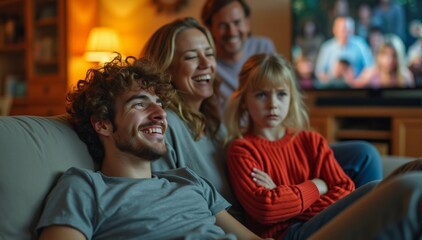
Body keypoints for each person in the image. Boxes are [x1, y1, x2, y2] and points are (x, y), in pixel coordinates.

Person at [35, 54, 264, 240]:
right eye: (139, 104)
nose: (161, 114)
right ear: (103, 124)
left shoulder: (188, 179)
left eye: (159, 104)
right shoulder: (85, 187)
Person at [224, 53, 422, 239]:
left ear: (291, 97)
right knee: (384, 189)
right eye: (261, 95)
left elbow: (345, 190)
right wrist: (318, 186)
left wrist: (283, 195)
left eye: (281, 94)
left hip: (323, 223)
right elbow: (267, 209)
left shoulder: (311, 140)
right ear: (243, 101)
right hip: (289, 235)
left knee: (419, 168)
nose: (273, 104)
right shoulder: (242, 150)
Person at [202, 0, 383, 188]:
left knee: (365, 154)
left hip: (285, 141)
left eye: (237, 22)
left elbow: (284, 92)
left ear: (247, 22)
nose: (232, 31)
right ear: (210, 29)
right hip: (255, 149)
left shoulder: (263, 46)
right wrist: (315, 187)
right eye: (223, 25)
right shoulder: (207, 67)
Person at [140, 17, 244, 220]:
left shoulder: (214, 122)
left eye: (209, 54)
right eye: (191, 57)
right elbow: (171, 205)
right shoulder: (163, 125)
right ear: (165, 69)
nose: (206, 64)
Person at [315, 15, 374, 86]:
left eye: (348, 30)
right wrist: (332, 80)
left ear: (353, 30)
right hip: (332, 88)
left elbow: (370, 67)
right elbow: (319, 72)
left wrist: (358, 81)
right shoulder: (326, 47)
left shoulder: (360, 44)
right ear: (334, 30)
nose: (345, 33)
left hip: (357, 87)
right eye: (342, 30)